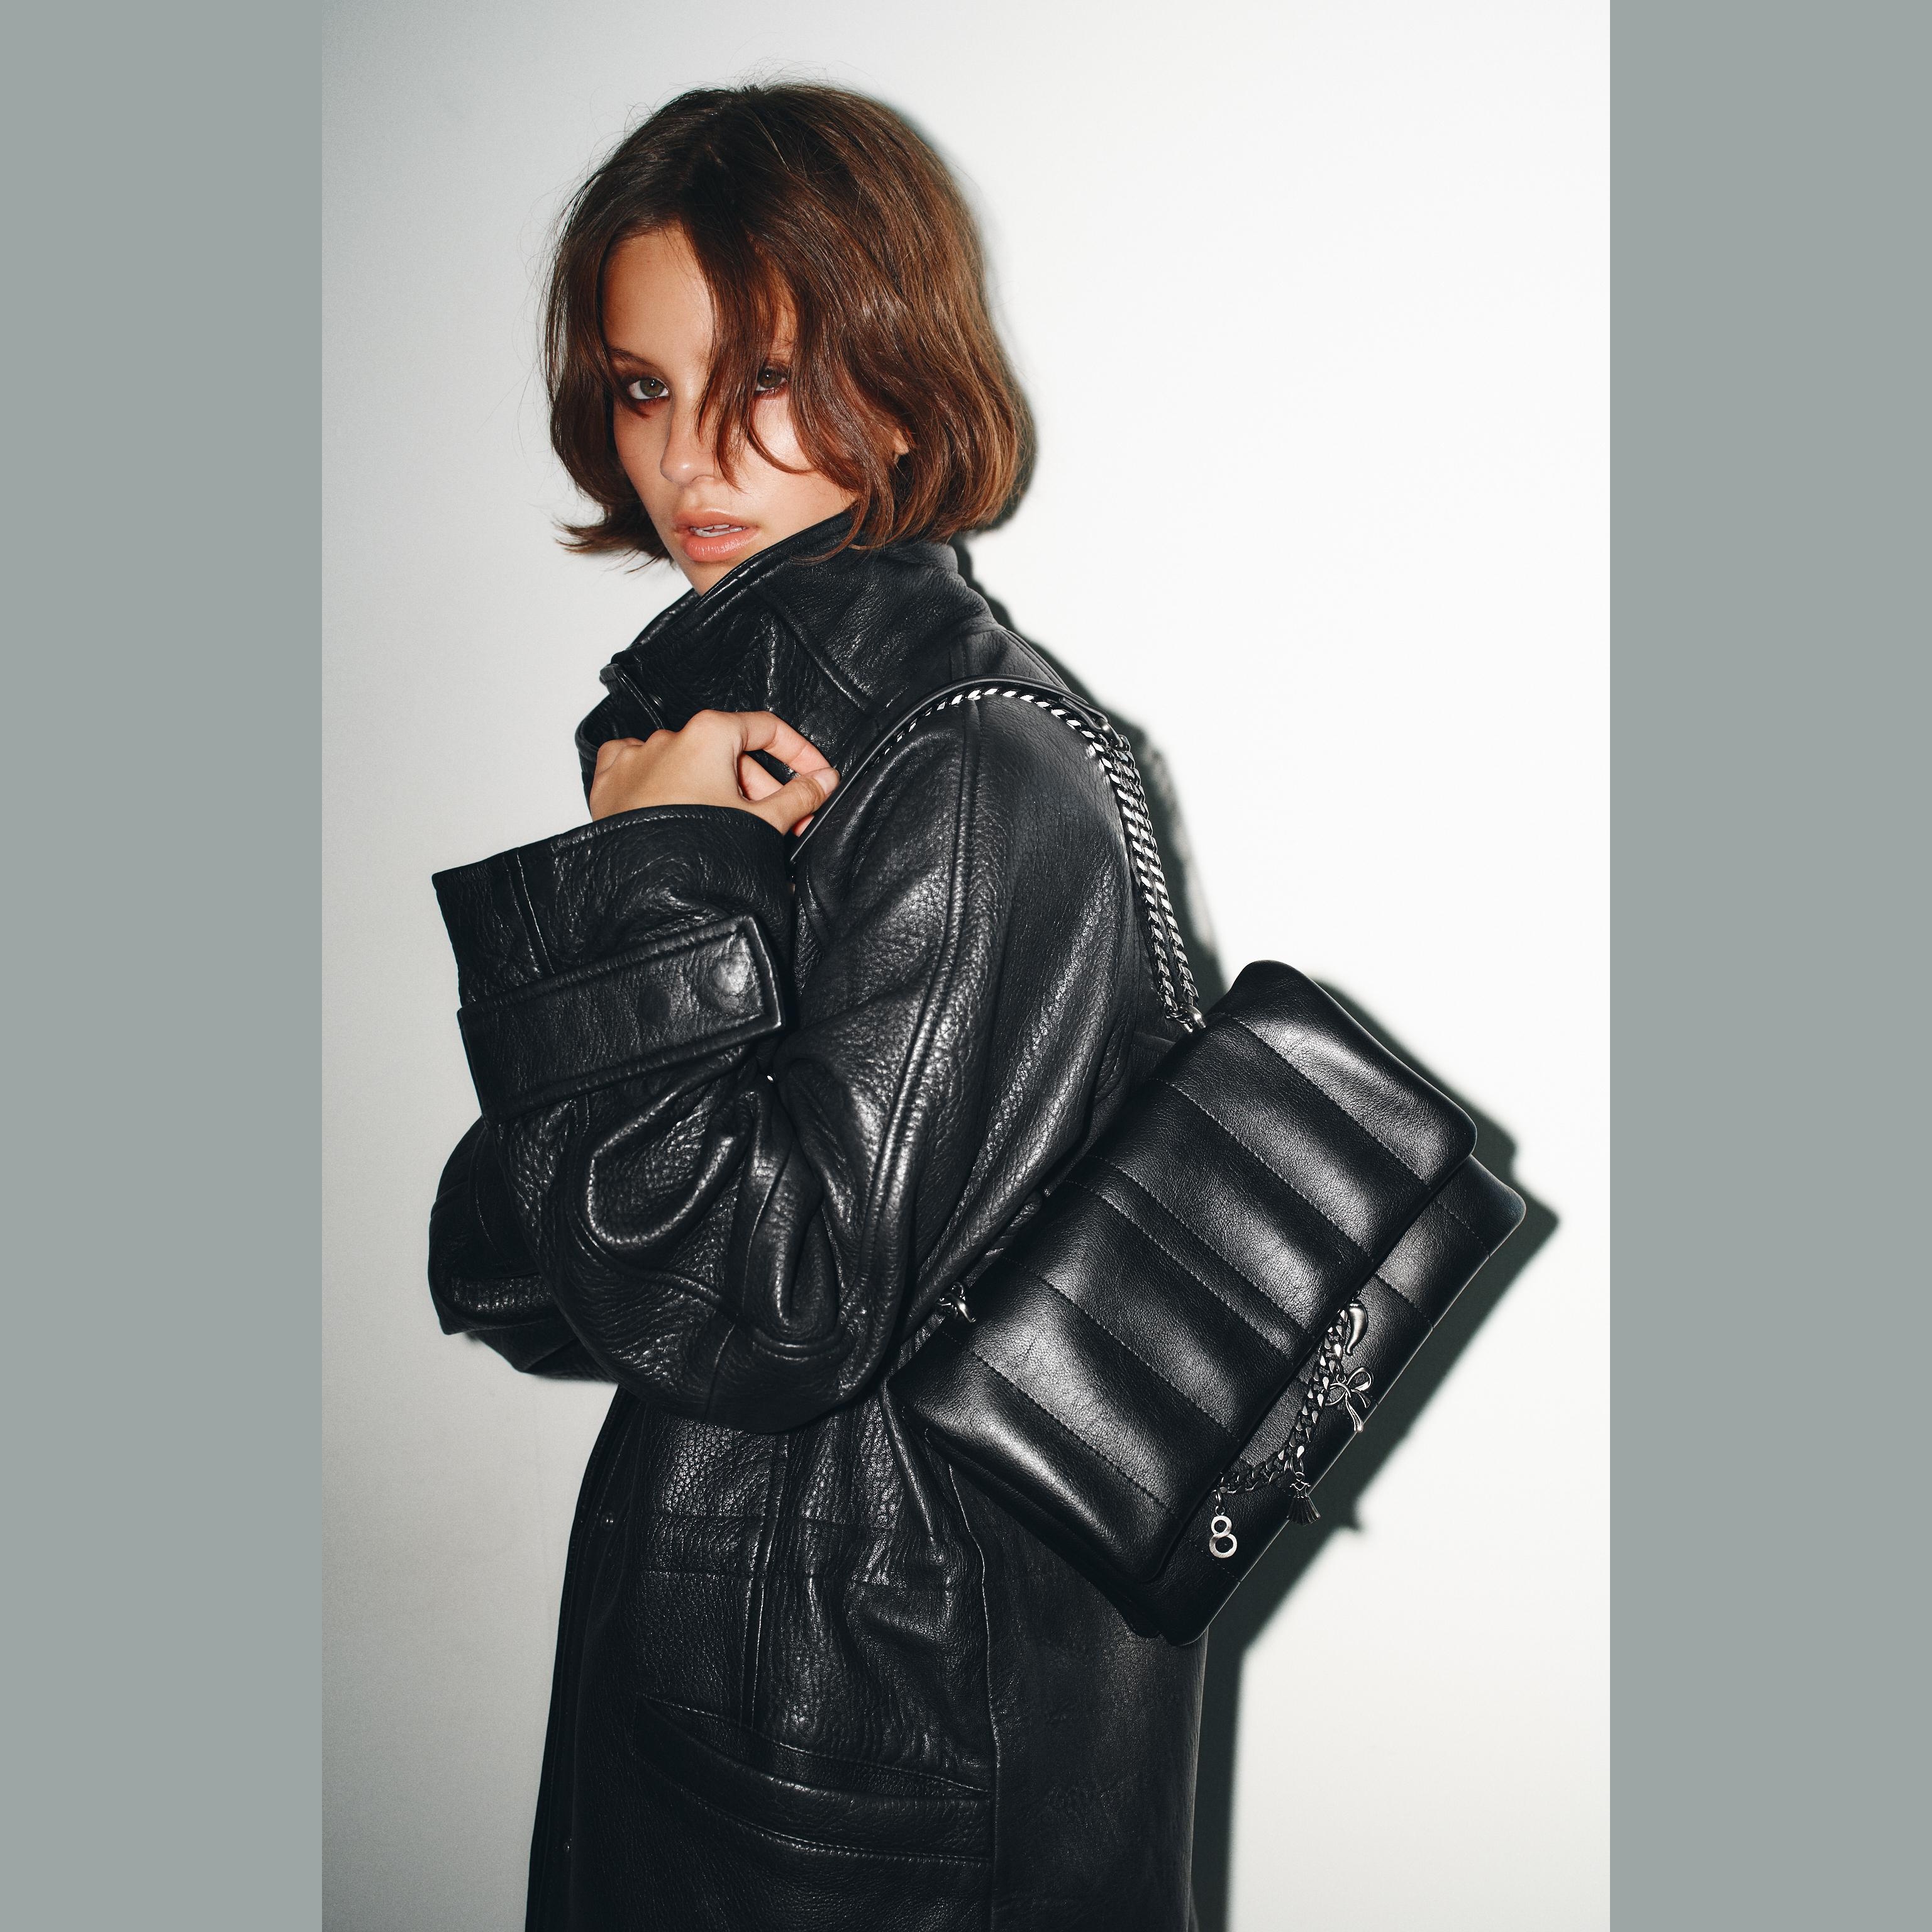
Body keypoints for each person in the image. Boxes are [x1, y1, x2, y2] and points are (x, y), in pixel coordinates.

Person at [428, 84, 1204, 1931]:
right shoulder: (743, 747)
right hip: (767, 1676)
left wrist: (648, 868)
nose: (690, 459)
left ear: (903, 382)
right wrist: (662, 856)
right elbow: (516, 1274)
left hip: (861, 1751)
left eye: (764, 380)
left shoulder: (959, 776)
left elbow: (756, 1314)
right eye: (644, 388)